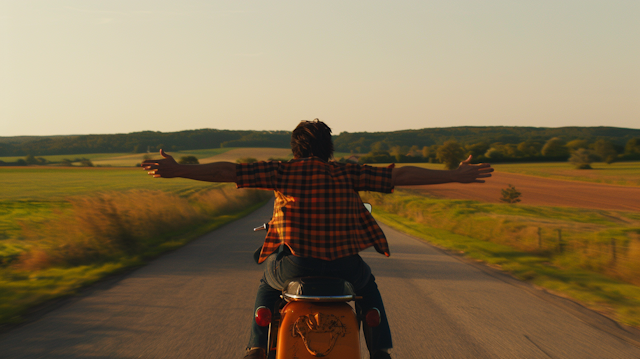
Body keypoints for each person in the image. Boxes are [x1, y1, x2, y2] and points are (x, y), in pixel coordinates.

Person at [142, 119, 493, 359]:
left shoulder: (282, 171)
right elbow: (399, 174)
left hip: (295, 265)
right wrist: (455, 175)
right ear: (329, 148)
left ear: (296, 148)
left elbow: (224, 171)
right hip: (344, 267)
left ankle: (255, 349)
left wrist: (177, 170)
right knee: (368, 285)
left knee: (266, 283)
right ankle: (380, 350)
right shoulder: (347, 172)